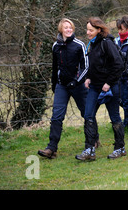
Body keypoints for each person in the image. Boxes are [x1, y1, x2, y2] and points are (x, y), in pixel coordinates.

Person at [75, 17, 126, 161]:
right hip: (95, 86)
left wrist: (109, 83)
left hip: (110, 87)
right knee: (88, 115)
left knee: (114, 116)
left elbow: (119, 64)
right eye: (87, 30)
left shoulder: (107, 43)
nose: (88, 32)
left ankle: (120, 148)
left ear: (99, 30)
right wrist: (89, 77)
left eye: (91, 30)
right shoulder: (92, 44)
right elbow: (94, 64)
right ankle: (90, 150)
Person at [38, 19, 89, 159]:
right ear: (61, 30)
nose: (68, 29)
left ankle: (93, 140)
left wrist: (77, 81)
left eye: (70, 27)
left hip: (78, 86)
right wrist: (54, 84)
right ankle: (51, 148)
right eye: (66, 28)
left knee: (87, 113)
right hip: (62, 86)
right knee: (56, 116)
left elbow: (86, 67)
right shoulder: (56, 46)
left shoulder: (79, 45)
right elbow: (55, 68)